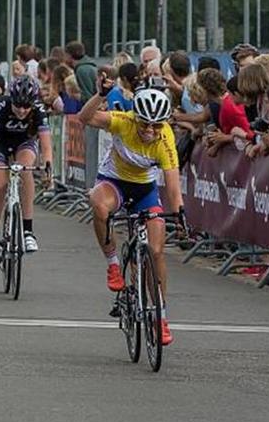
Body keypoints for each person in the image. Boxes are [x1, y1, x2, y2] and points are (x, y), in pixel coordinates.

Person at [78, 80, 187, 346]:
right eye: (145, 124)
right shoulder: (122, 121)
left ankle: (160, 316)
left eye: (156, 125)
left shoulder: (165, 139)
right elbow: (85, 117)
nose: (150, 130)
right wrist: (101, 94)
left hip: (144, 191)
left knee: (156, 251)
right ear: (135, 118)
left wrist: (180, 213)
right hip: (113, 182)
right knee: (99, 204)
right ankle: (113, 264)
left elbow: (172, 185)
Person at [0, 76, 53, 264]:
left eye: (26, 107)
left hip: (24, 143)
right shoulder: (0, 105)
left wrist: (48, 171)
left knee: (25, 168)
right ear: (11, 99)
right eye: (17, 105)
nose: (21, 110)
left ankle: (28, 231)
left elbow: (46, 146)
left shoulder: (39, 109)